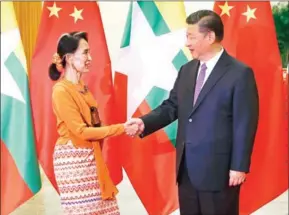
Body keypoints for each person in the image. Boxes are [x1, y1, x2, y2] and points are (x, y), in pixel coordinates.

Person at [127, 10, 259, 215]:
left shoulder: (239, 73)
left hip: (220, 171)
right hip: (187, 169)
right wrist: (144, 122)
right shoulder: (187, 70)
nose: (187, 43)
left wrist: (239, 166)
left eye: (191, 37)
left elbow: (245, 123)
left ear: (210, 37)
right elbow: (172, 106)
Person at [50, 31, 137, 215]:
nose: (90, 58)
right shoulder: (61, 91)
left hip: (91, 157)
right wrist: (121, 128)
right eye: (85, 53)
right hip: (74, 162)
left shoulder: (83, 88)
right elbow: (81, 132)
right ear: (69, 57)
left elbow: (94, 126)